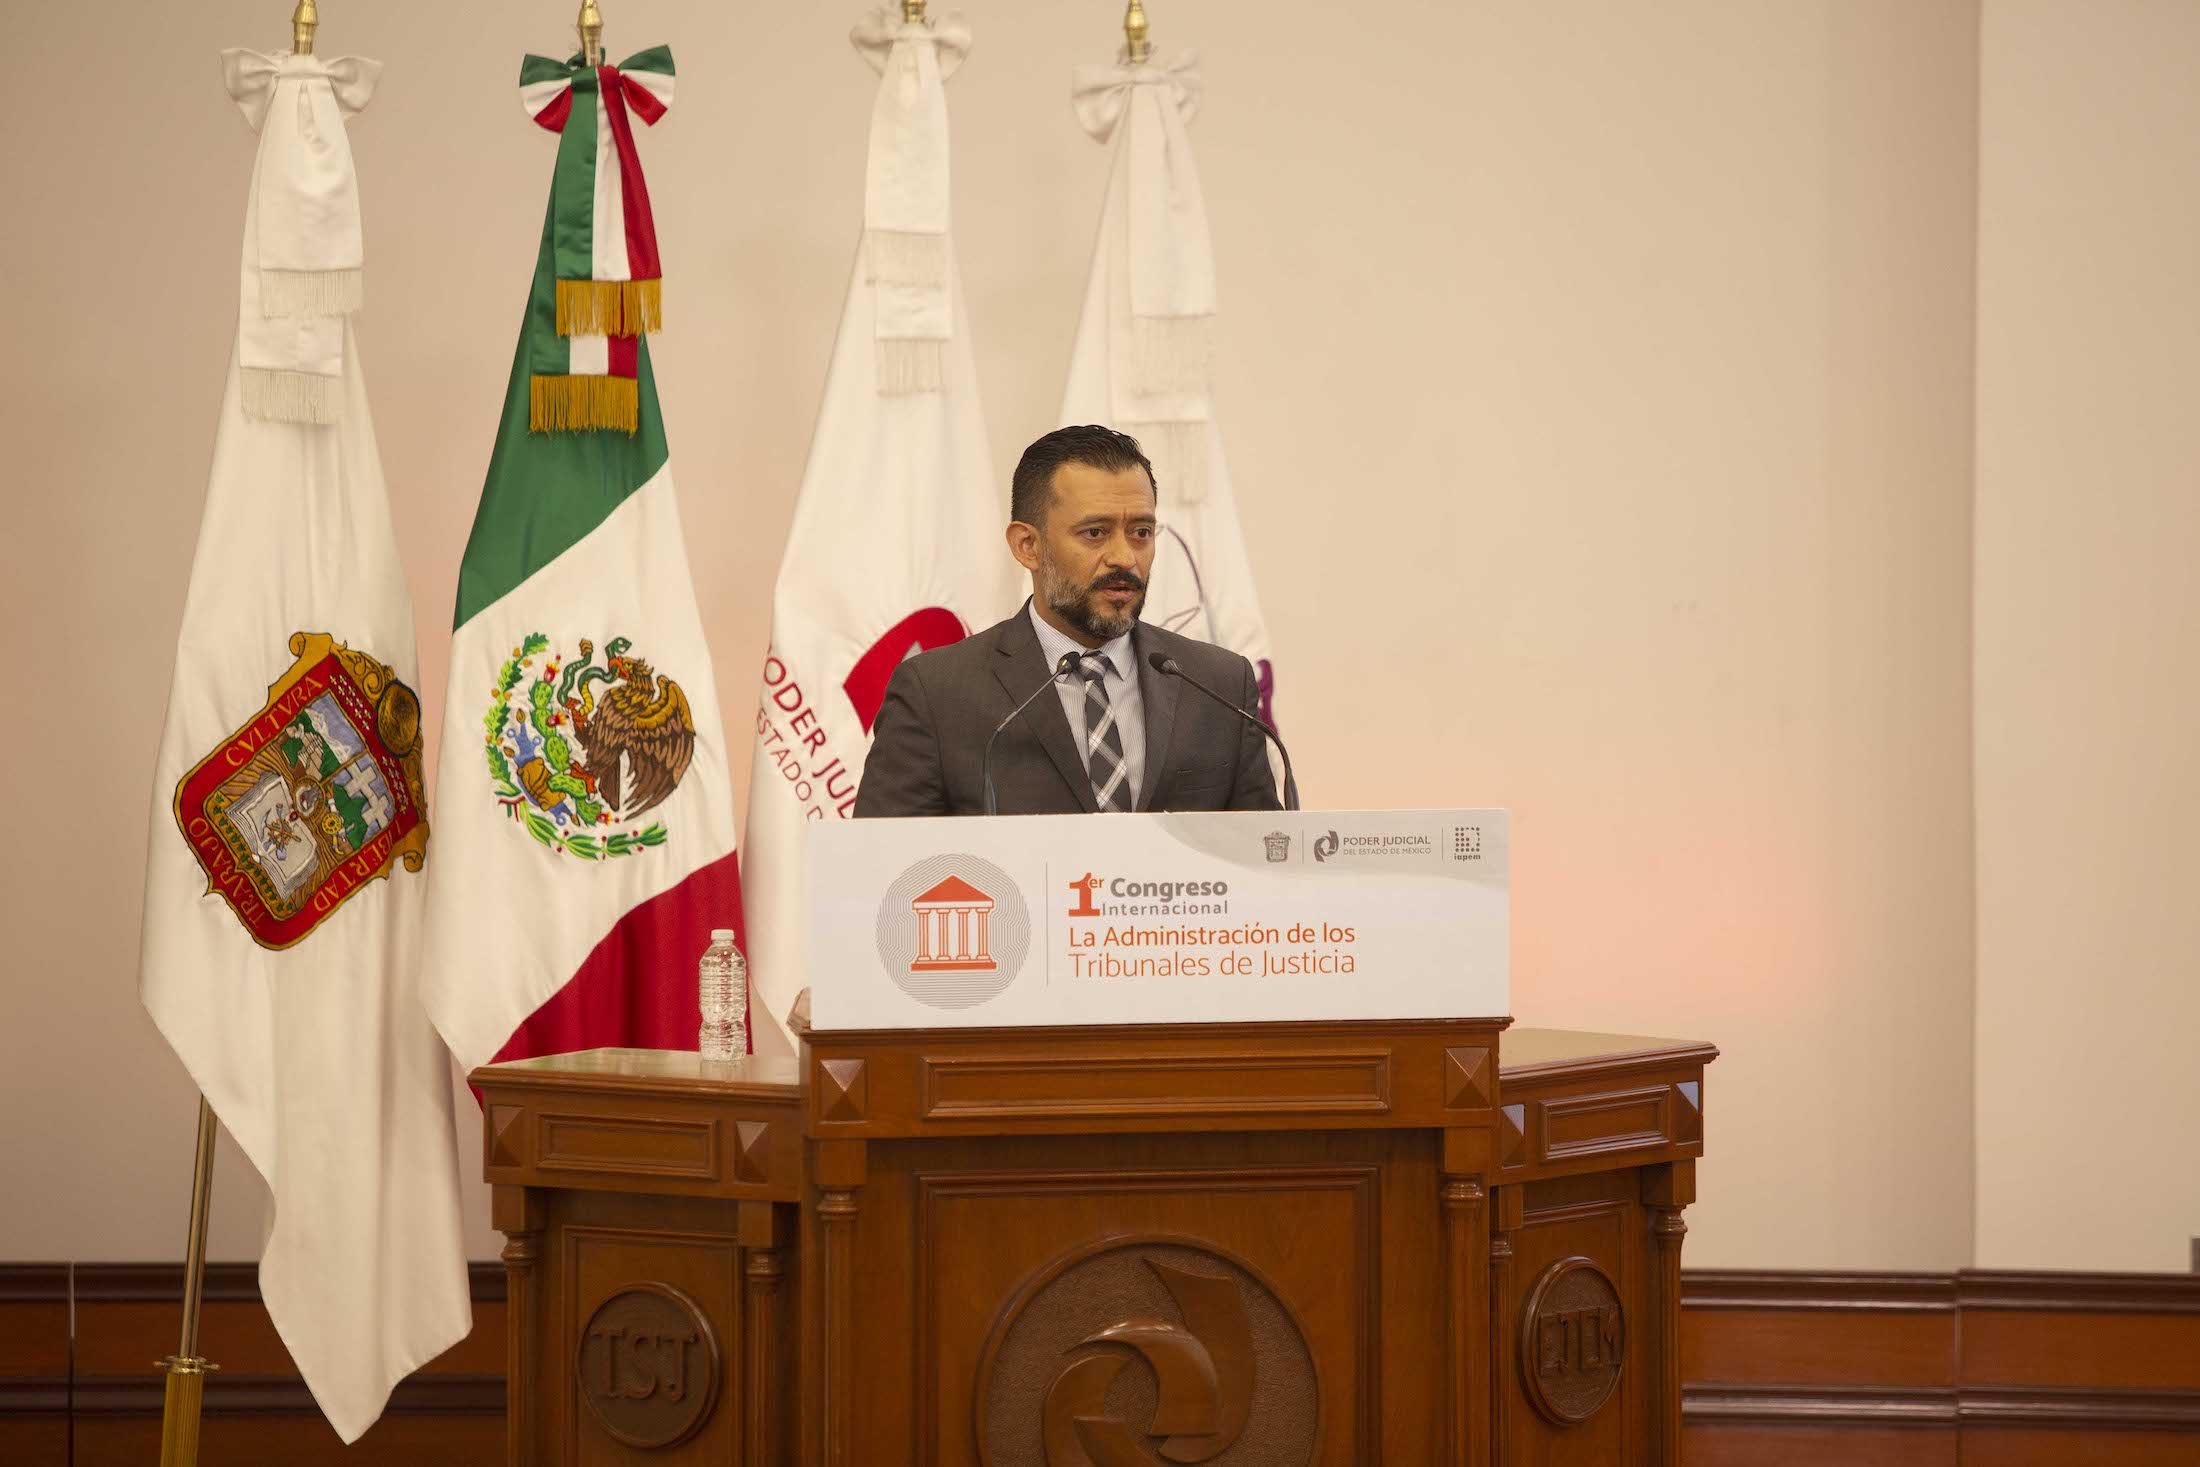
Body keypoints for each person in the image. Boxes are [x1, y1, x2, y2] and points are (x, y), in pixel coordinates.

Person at [854, 425, 1280, 816]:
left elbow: (1261, 867)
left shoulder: (1218, 685)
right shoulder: (937, 693)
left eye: (1142, 533)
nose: (1124, 557)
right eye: (1095, 533)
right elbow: (881, 872)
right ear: (1028, 546)